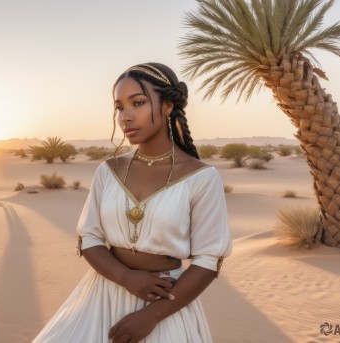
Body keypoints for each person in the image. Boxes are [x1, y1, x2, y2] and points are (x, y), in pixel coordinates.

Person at [33, 62, 232, 343]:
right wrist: (125, 277)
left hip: (166, 302)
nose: (125, 116)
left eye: (137, 103)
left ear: (167, 106)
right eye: (119, 107)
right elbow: (89, 238)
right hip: (102, 295)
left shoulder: (201, 177)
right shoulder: (108, 170)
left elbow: (208, 260)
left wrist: (152, 316)